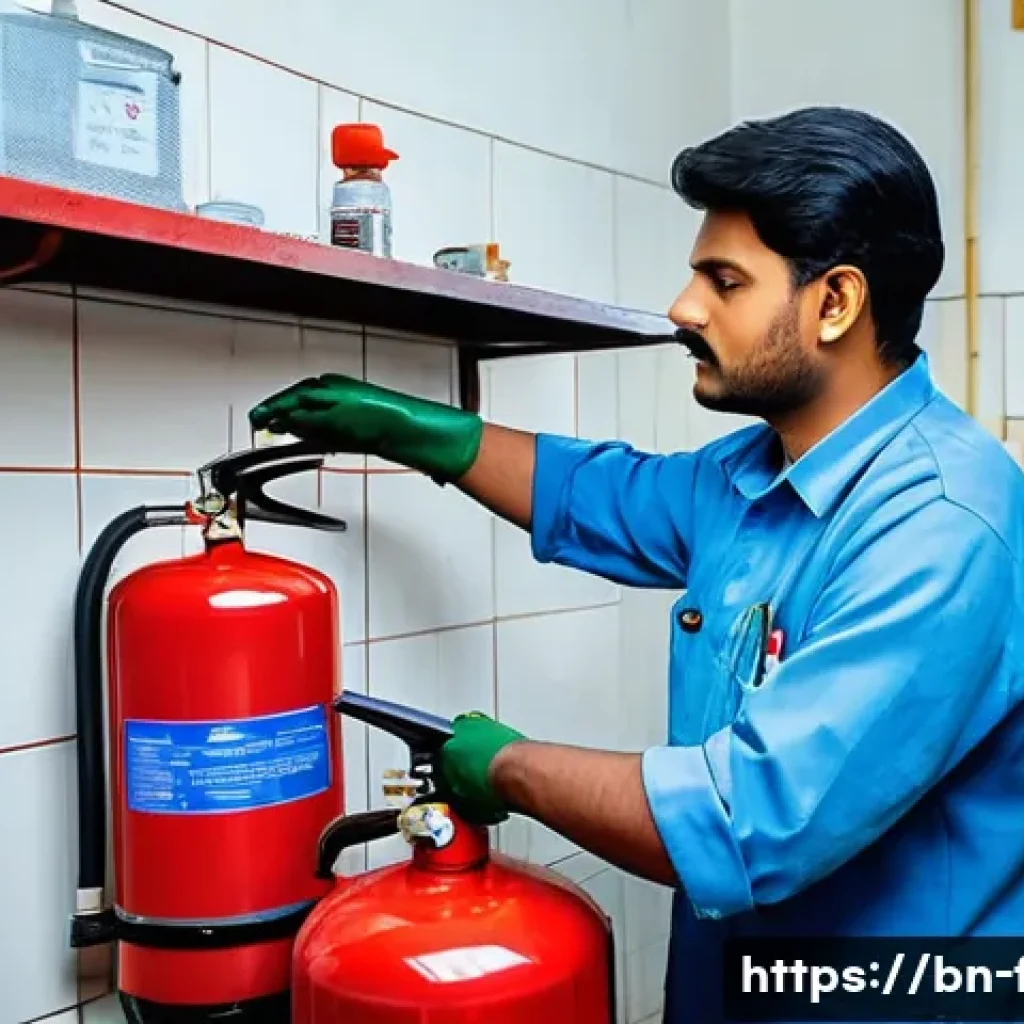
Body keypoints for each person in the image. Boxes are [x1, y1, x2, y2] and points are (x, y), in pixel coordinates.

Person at [249, 106, 1024, 1023]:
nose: (684, 308)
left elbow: (749, 819)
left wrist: (506, 767)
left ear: (836, 303)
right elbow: (599, 495)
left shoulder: (940, 522)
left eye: (724, 281)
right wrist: (420, 432)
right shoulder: (752, 474)